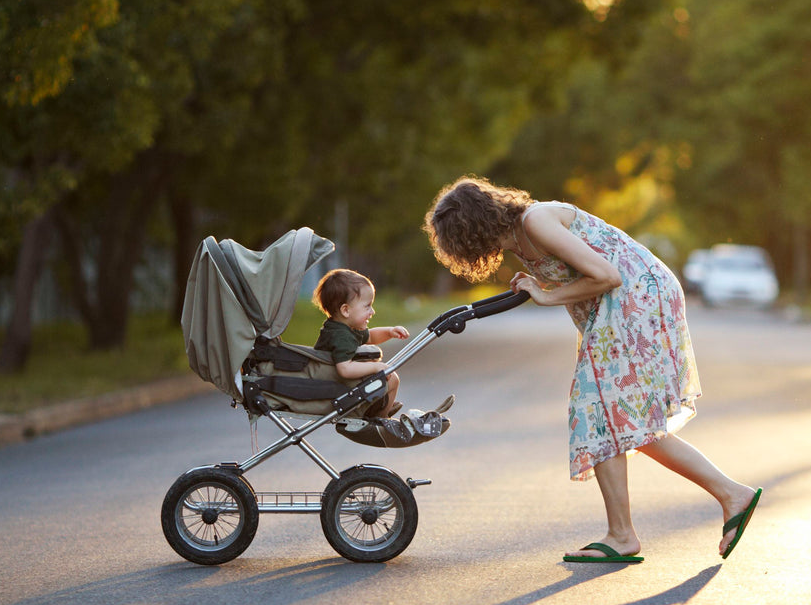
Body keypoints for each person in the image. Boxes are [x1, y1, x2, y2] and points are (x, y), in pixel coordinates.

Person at [423, 176, 761, 563]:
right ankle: (723, 497)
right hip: (621, 305)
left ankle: (627, 533)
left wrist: (546, 296)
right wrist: (539, 283)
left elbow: (606, 276)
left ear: (473, 229)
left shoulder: (536, 221)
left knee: (599, 411)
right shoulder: (520, 238)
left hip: (637, 298)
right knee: (619, 419)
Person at [312, 268, 409, 417]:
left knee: (388, 375)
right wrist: (376, 367)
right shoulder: (340, 336)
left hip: (340, 384)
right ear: (346, 310)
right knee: (392, 379)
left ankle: (382, 406)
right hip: (335, 387)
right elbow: (344, 369)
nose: (372, 311)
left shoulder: (345, 327)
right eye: (367, 306)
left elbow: (370, 337)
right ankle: (381, 416)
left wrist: (389, 332)